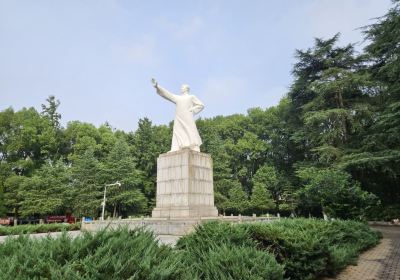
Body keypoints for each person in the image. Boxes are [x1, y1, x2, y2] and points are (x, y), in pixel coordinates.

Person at [151, 78, 204, 152]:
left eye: (182, 87)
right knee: (177, 131)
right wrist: (157, 86)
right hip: (179, 117)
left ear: (186, 89)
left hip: (187, 116)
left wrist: (192, 110)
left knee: (190, 130)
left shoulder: (191, 97)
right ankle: (175, 147)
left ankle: (194, 146)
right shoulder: (178, 98)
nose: (181, 89)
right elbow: (168, 94)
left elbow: (201, 105)